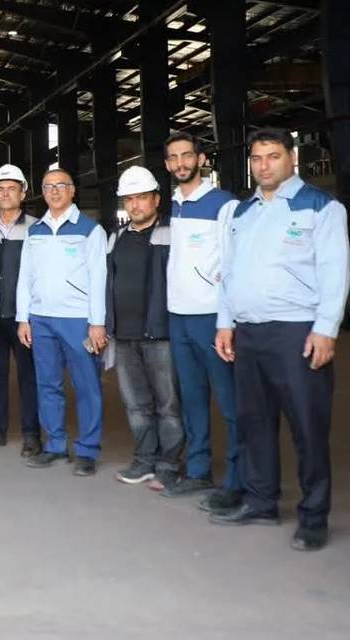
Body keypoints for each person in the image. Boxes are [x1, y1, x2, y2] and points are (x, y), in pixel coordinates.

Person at [209, 128, 349, 552]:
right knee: (255, 422)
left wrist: (326, 328)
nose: (263, 165)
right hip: (248, 333)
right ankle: (261, 501)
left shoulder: (321, 207)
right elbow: (229, 272)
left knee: (308, 426)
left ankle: (313, 517)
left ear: (292, 157)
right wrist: (225, 322)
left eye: (272, 156)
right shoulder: (243, 212)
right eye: (256, 158)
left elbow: (335, 270)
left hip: (296, 332)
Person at [160, 132, 241, 508]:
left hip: (211, 317)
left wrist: (227, 321)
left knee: (229, 400)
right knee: (192, 398)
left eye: (186, 155)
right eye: (173, 158)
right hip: (179, 316)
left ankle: (239, 478)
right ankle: (198, 470)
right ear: (167, 164)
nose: (180, 163)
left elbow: (233, 265)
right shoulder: (174, 204)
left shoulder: (224, 204)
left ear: (201, 159)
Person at [16, 167, 108, 477]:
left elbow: (99, 278)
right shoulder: (35, 232)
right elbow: (25, 278)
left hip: (78, 320)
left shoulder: (90, 230)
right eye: (48, 187)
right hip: (41, 320)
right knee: (48, 384)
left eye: (61, 185)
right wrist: (23, 318)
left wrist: (97, 323)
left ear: (72, 191)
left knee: (87, 386)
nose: (54, 191)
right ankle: (55, 444)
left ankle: (87, 449)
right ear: (42, 193)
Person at [105, 166, 183, 488]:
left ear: (156, 199)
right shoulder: (117, 237)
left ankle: (169, 463)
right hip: (124, 335)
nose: (135, 205)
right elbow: (108, 281)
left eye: (141, 197)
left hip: (160, 334)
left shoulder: (172, 233)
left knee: (168, 404)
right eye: (129, 199)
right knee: (136, 404)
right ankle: (145, 459)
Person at [0, 164, 41, 456]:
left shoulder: (37, 229)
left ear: (23, 193)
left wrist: (30, 315)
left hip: (25, 318)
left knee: (30, 377)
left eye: (12, 189)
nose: (6, 194)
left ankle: (31, 434)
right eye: (1, 189)